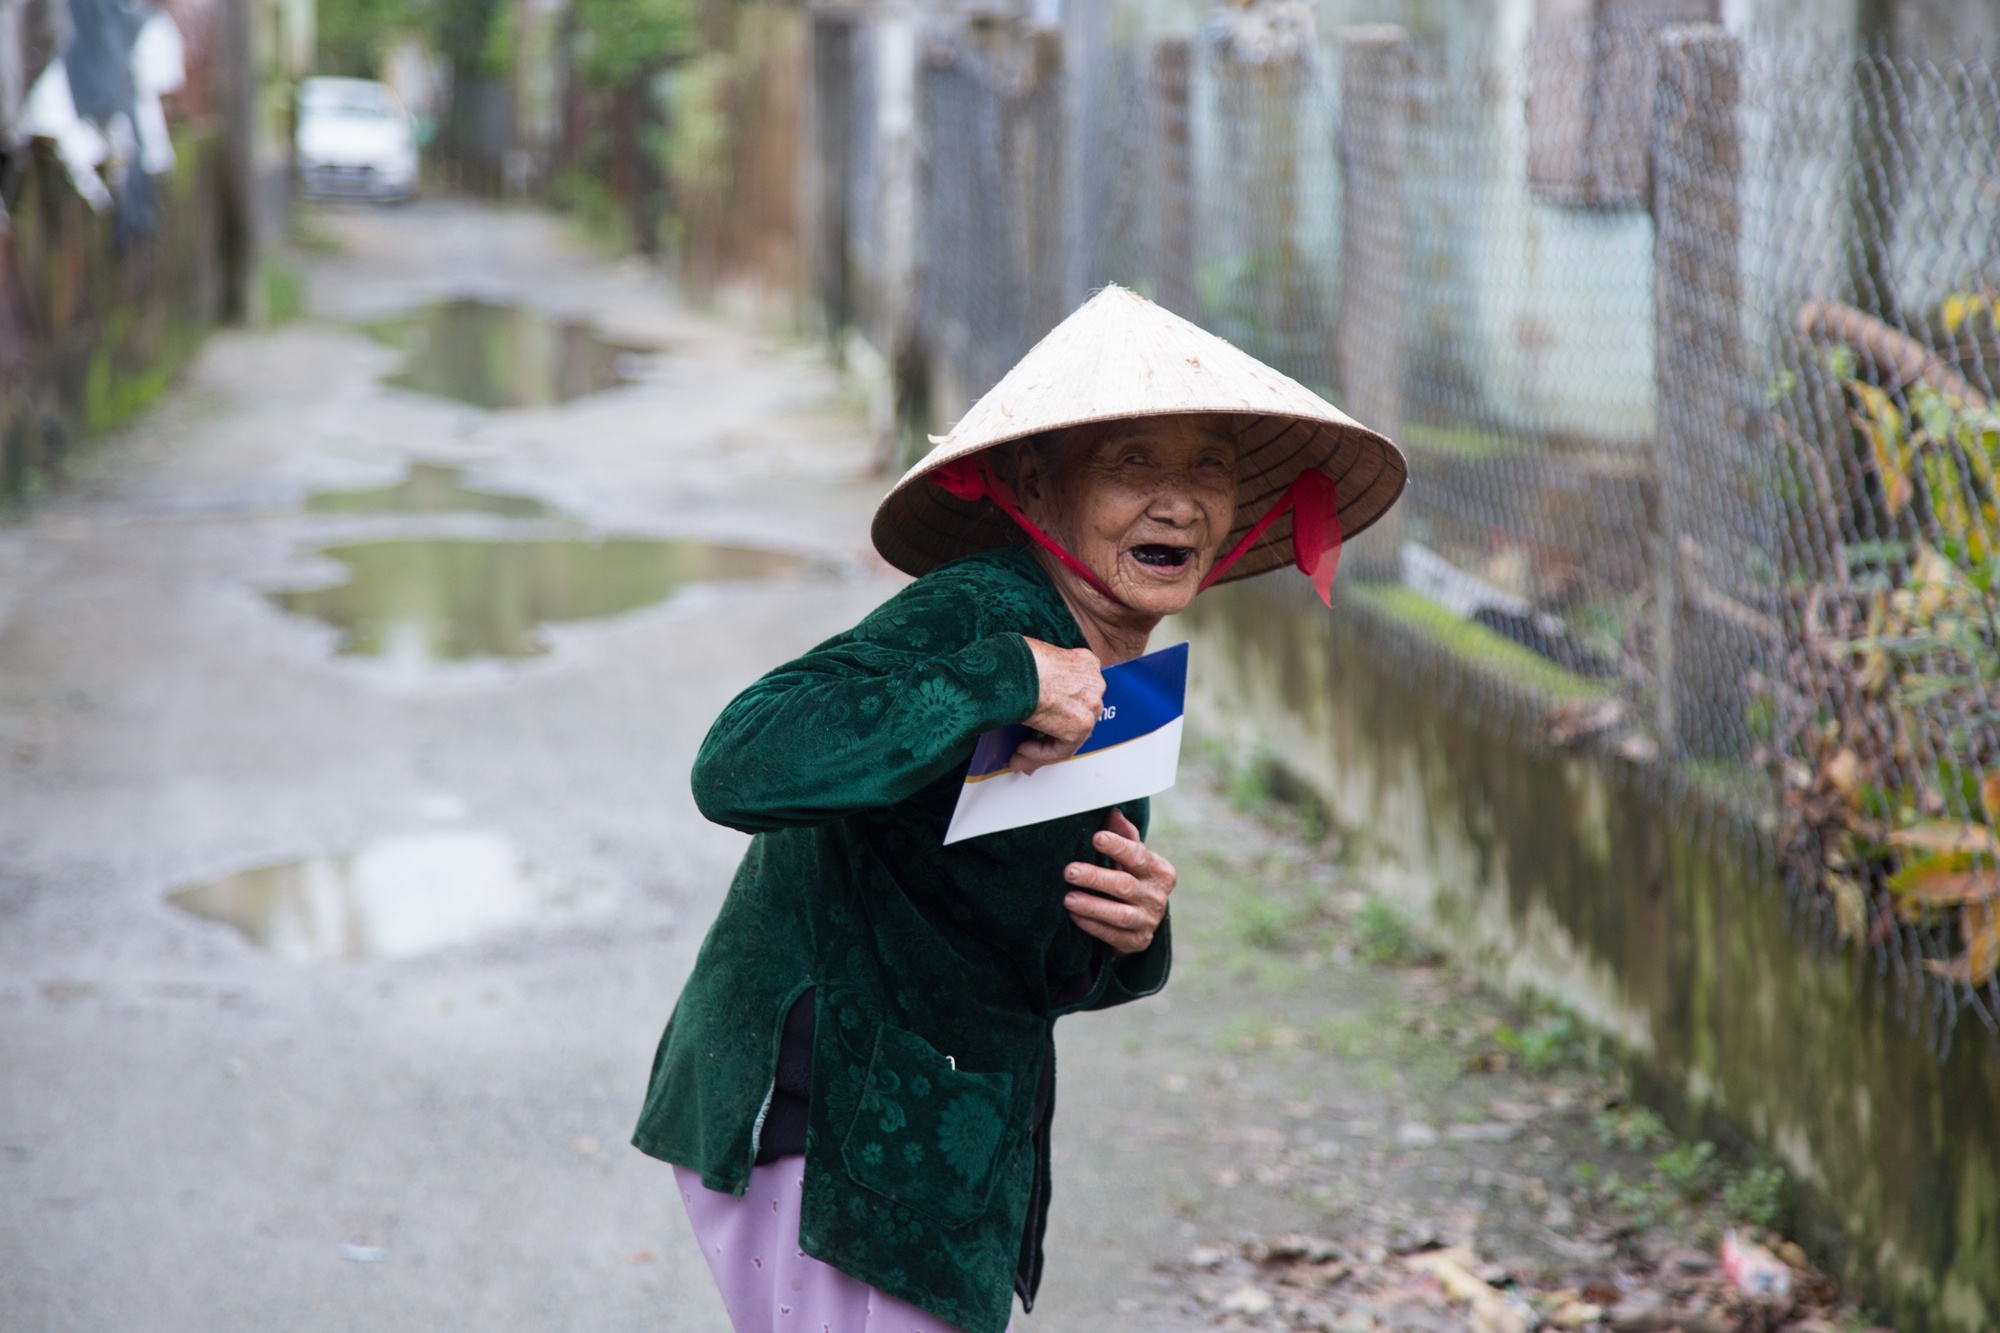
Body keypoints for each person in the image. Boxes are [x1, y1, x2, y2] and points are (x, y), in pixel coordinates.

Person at [632, 286, 1405, 1333]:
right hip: (819, 1123)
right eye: (1134, 463)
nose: (1177, 502)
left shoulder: (1114, 662)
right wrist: (999, 676)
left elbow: (1035, 942)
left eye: (1207, 469)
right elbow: (737, 762)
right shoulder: (982, 614)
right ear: (1038, 487)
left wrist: (1131, 931)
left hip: (934, 1141)